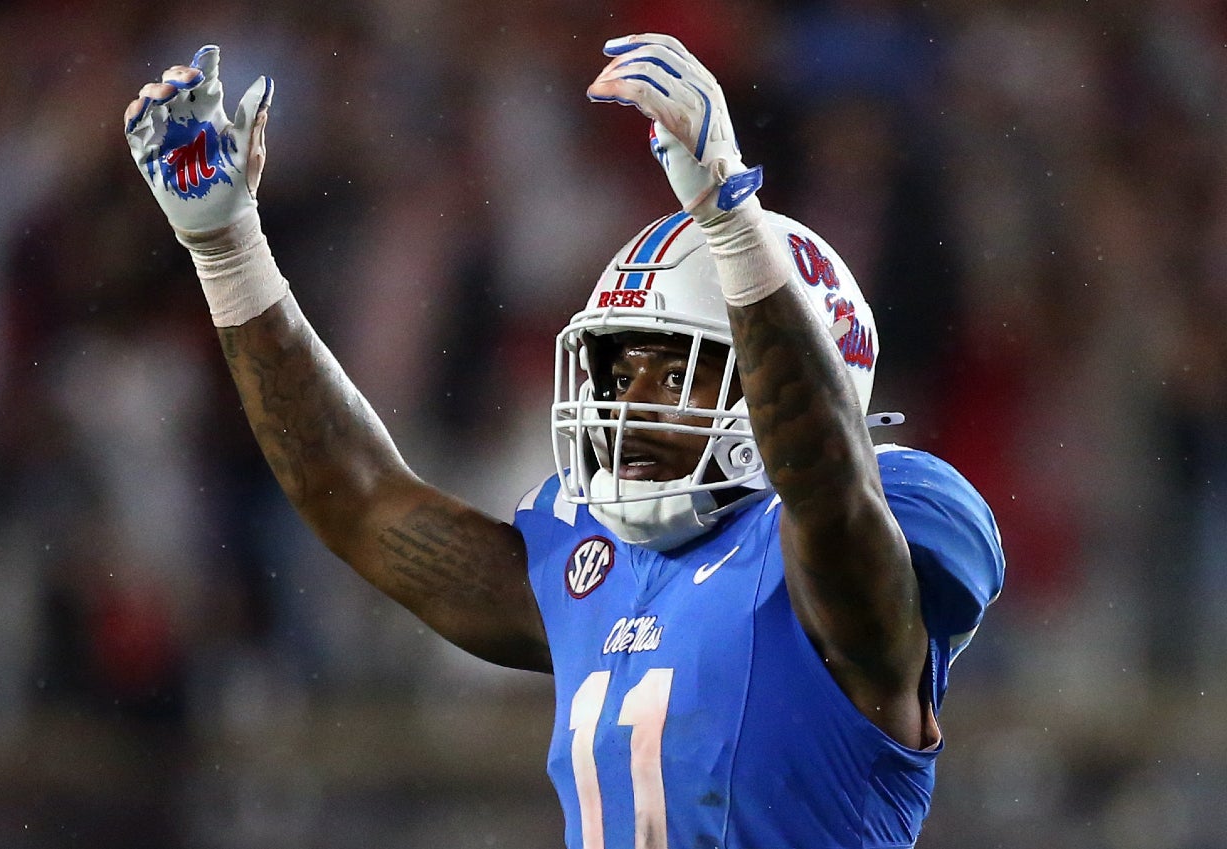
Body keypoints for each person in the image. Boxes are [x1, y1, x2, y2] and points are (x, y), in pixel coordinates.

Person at [124, 33, 1003, 849]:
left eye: (676, 371)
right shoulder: (597, 565)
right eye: (617, 373)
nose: (630, 406)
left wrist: (734, 223)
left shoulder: (856, 552)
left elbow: (825, 486)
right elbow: (361, 500)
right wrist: (229, 254)